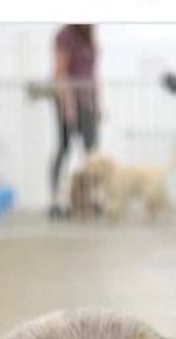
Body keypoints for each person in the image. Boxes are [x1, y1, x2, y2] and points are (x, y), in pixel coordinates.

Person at [50, 24, 99, 218]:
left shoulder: (90, 35)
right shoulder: (65, 35)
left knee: (91, 152)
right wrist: (68, 108)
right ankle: (56, 201)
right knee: (64, 149)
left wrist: (97, 104)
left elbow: (93, 75)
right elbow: (60, 73)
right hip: (66, 100)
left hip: (86, 101)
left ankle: (90, 200)